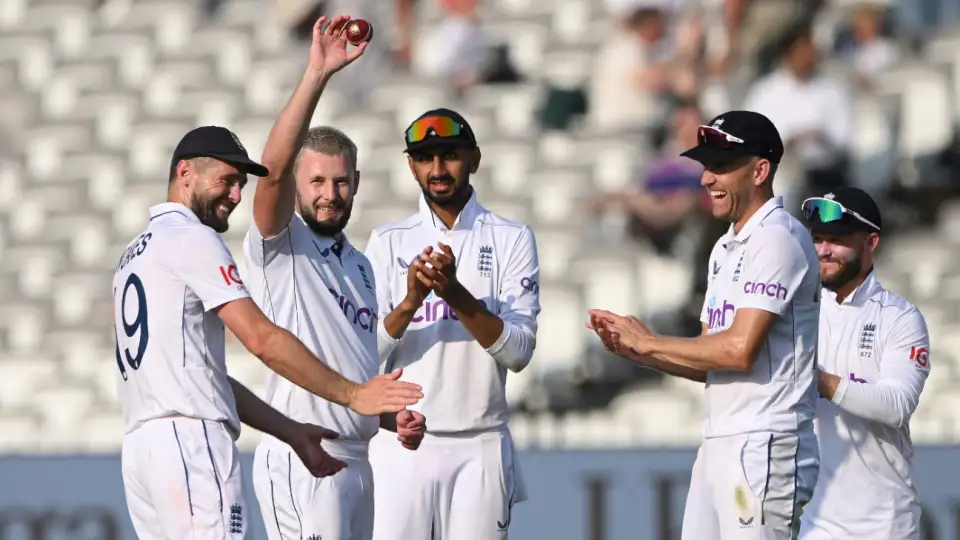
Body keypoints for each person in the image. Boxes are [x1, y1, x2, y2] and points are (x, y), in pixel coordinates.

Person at [114, 119, 424, 539]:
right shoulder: (197, 238)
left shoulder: (137, 253)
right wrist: (318, 70)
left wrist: (293, 431)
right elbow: (261, 339)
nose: (237, 195)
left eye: (241, 183)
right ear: (185, 172)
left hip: (147, 444)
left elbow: (209, 379)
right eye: (227, 180)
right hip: (193, 438)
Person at [587, 110, 821, 539]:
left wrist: (652, 341)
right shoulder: (724, 248)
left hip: (764, 442)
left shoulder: (778, 238)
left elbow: (738, 349)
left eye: (720, 166)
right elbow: (710, 358)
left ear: (760, 170)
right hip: (720, 441)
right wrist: (638, 351)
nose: (706, 179)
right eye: (706, 166)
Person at [239, 15, 427, 540]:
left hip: (359, 462)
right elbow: (271, 169)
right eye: (316, 180)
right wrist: (317, 73)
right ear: (298, 184)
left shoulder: (361, 265)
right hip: (304, 457)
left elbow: (355, 367)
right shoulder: (282, 245)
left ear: (357, 183)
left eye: (341, 181)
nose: (329, 193)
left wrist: (390, 419)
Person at [365, 108, 541, 540]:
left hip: (480, 445)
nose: (438, 169)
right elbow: (364, 353)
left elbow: (519, 353)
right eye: (425, 157)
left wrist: (454, 294)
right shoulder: (387, 242)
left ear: (475, 159)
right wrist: (410, 302)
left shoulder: (511, 237)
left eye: (450, 155)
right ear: (411, 166)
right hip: (403, 446)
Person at [798, 188, 931, 540]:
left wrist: (818, 380)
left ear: (871, 241)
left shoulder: (901, 319)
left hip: (885, 525)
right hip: (817, 523)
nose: (824, 250)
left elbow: (897, 406)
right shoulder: (799, 311)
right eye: (818, 239)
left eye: (837, 240)